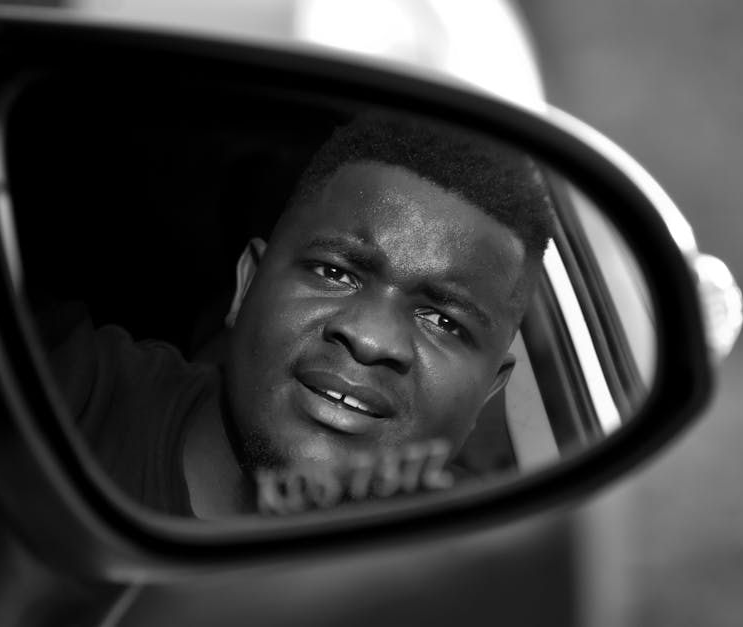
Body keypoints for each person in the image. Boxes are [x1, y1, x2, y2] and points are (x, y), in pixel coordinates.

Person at [36, 113, 554, 519]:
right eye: (334, 272)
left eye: (444, 321)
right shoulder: (63, 400)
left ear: (491, 388)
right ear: (246, 285)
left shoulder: (491, 570)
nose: (372, 339)